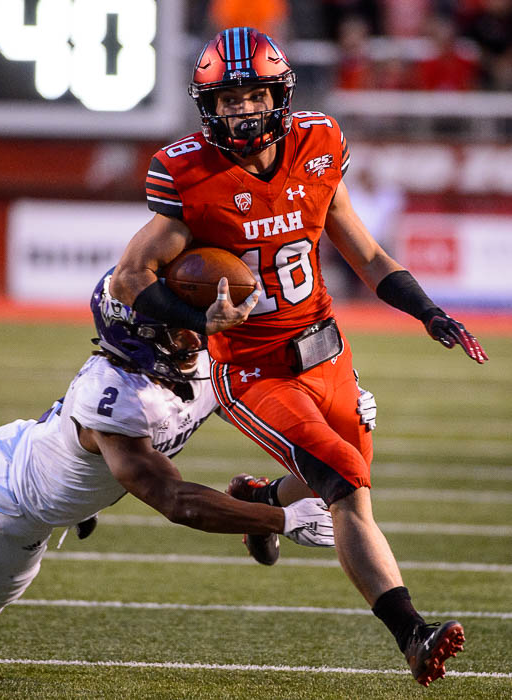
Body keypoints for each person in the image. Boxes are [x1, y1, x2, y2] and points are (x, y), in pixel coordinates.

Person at [109, 27, 487, 687]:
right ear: (209, 107)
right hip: (254, 369)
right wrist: (199, 318)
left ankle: (260, 495)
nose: (244, 109)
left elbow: (366, 255)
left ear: (280, 94)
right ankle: (413, 635)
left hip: (326, 348)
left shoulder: (318, 142)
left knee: (340, 478)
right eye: (229, 100)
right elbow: (129, 280)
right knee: (348, 487)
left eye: (255, 94)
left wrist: (428, 310)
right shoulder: (187, 173)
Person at [0, 268, 343, 661]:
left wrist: (333, 414)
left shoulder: (185, 361)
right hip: (12, 509)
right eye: (178, 325)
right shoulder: (118, 394)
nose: (195, 333)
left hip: (12, 449)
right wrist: (283, 521)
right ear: (145, 336)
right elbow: (175, 501)